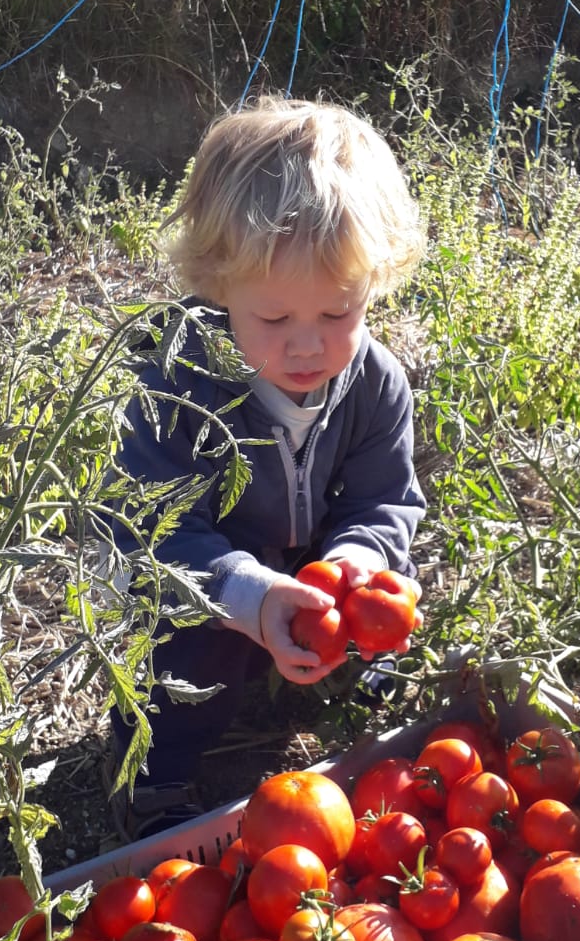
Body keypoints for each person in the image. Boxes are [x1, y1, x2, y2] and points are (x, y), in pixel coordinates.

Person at [104, 96, 426, 830]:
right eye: (275, 318)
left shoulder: (375, 382)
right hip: (206, 575)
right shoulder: (174, 386)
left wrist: (353, 567)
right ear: (219, 289)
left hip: (304, 565)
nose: (307, 345)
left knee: (389, 587)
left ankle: (345, 674)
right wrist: (249, 597)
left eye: (338, 312)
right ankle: (153, 773)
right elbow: (150, 534)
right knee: (180, 650)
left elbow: (384, 501)